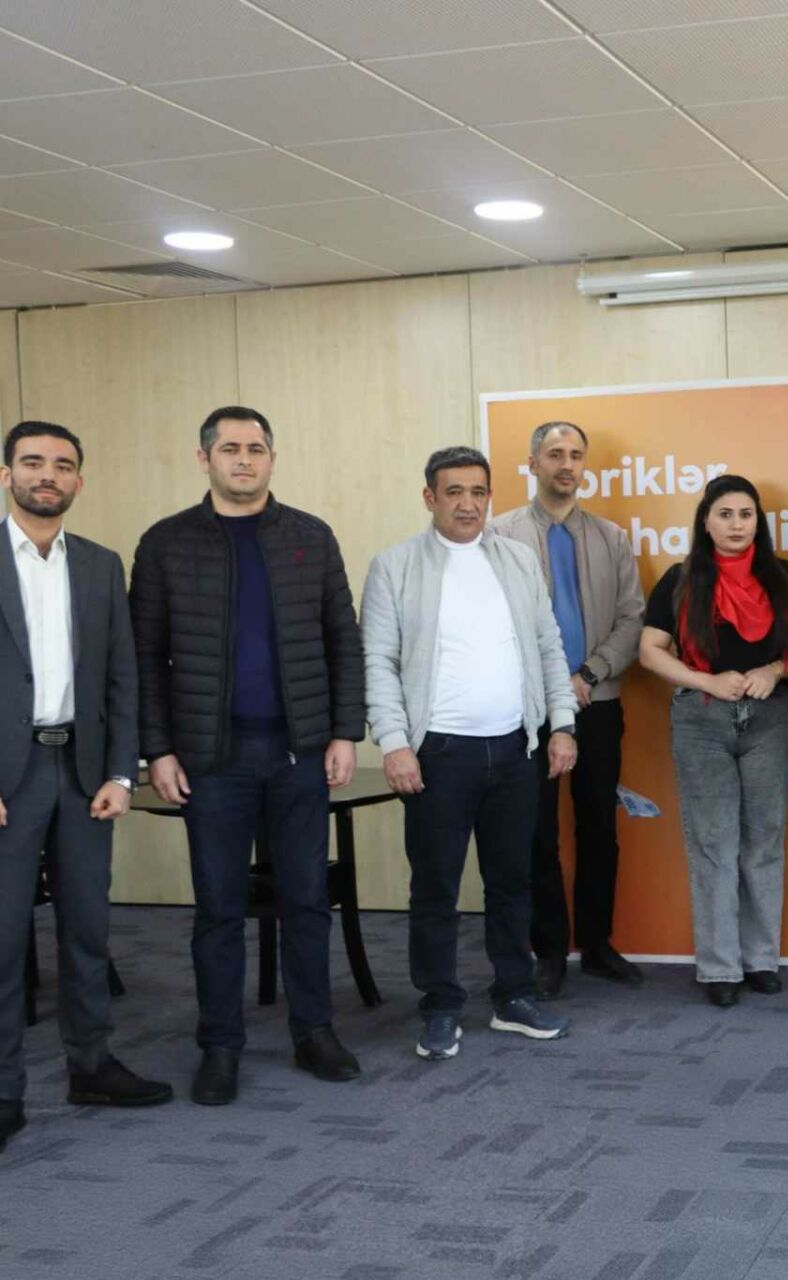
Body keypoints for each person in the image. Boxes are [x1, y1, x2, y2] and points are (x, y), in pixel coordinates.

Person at [131, 407, 365, 1106]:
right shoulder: (166, 543)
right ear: (204, 457)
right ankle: (220, 1046)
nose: (243, 459)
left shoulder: (310, 536)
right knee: (219, 908)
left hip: (298, 751)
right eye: (229, 448)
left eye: (256, 448)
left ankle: (314, 1031)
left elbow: (343, 639)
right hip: (212, 757)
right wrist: (157, 749)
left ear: (271, 458)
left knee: (306, 901)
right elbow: (145, 657)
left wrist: (344, 731)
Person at [362, 447, 577, 1060]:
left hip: (515, 750)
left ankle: (513, 996)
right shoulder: (395, 567)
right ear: (429, 497)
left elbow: (549, 646)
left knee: (512, 881)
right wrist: (394, 744)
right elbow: (377, 661)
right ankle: (439, 1006)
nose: (467, 504)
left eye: (478, 492)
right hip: (437, 756)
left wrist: (562, 724)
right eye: (453, 491)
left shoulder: (517, 560)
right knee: (435, 888)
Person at [0, 422, 172, 1151]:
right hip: (7, 779)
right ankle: (3, 1091)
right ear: (6, 474)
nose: (48, 474)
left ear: (79, 480)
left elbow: (123, 676)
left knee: (87, 930)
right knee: (4, 939)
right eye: (33, 462)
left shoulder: (100, 565)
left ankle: (92, 1064)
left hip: (83, 772)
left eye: (63, 465)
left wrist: (121, 772)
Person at [490, 421, 644, 997]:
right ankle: (549, 950)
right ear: (533, 463)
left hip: (595, 702)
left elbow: (632, 619)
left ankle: (597, 945)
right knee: (537, 834)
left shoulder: (611, 538)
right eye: (555, 454)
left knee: (599, 827)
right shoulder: (498, 535)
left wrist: (588, 674)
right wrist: (550, 686)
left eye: (576, 455)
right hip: (527, 711)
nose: (566, 464)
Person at [639, 476, 788, 1007]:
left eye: (746, 514)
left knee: (764, 841)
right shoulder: (681, 579)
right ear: (706, 521)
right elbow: (649, 650)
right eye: (725, 514)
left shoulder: (785, 578)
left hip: (770, 721)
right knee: (713, 845)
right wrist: (705, 680)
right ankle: (719, 967)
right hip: (701, 721)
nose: (737, 525)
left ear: (759, 521)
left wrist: (775, 670)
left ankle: (761, 960)